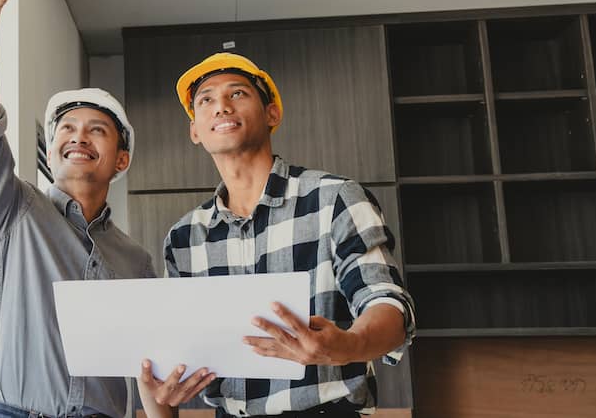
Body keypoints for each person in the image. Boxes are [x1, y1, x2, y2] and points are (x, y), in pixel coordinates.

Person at [0, 0, 158, 418]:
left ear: (120, 159)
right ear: (54, 147)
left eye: (97, 130)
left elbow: (145, 367)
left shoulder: (136, 260)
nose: (78, 136)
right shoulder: (13, 211)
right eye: (67, 127)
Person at [137, 53, 416, 418]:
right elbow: (176, 357)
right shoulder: (184, 238)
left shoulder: (334, 198)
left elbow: (389, 307)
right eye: (205, 100)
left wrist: (346, 345)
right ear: (195, 130)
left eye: (237, 93)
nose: (220, 106)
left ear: (272, 114)